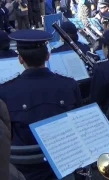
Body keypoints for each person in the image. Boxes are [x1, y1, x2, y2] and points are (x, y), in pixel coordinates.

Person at [0, 29, 82, 180]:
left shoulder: (4, 92)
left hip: (24, 171)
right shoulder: (69, 85)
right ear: (47, 56)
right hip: (64, 164)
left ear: (20, 59)